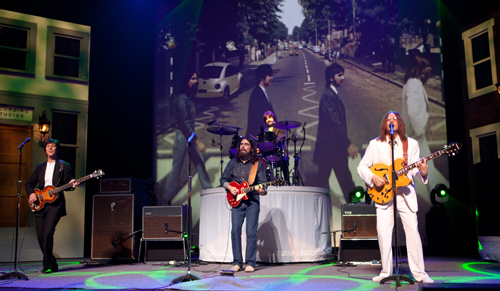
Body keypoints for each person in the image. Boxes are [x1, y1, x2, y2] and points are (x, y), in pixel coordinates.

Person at [357, 111, 434, 283]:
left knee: (412, 232)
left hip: (405, 192)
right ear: (385, 124)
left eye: (395, 118)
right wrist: (372, 177)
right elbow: (362, 167)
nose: (392, 121)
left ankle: (420, 273)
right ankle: (386, 272)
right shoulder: (375, 144)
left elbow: (413, 169)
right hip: (383, 193)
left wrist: (423, 172)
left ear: (400, 123)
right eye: (388, 119)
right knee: (384, 233)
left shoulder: (411, 144)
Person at [26, 139, 79, 274]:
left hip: (55, 204)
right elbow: (29, 183)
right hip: (40, 203)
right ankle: (52, 261)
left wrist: (72, 185)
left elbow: (67, 185)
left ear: (57, 149)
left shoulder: (64, 166)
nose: (50, 148)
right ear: (45, 150)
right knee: (40, 235)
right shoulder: (39, 167)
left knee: (48, 233)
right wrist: (32, 194)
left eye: (53, 146)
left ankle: (47, 266)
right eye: (48, 146)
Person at [163, 70, 212, 205]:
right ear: (186, 80)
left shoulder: (188, 97)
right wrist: (197, 140)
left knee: (200, 164)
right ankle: (166, 200)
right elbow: (184, 124)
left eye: (196, 79)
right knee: (176, 170)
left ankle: (210, 191)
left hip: (189, 135)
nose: (195, 81)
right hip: (183, 136)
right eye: (192, 79)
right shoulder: (181, 99)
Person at [220, 137, 267, 273]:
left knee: (251, 233)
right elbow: (223, 179)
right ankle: (237, 262)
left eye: (246, 144)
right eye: (241, 144)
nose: (242, 146)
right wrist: (229, 187)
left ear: (251, 148)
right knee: (235, 231)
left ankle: (250, 262)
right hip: (236, 203)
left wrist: (262, 190)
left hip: (252, 202)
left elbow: (264, 188)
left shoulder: (258, 164)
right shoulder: (232, 163)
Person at [313, 63, 358, 203]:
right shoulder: (328, 96)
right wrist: (348, 143)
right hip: (332, 148)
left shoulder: (332, 94)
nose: (343, 78)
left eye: (342, 74)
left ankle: (313, 208)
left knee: (329, 182)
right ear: (331, 78)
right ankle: (355, 212)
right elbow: (334, 123)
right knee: (344, 181)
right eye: (339, 75)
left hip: (332, 148)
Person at [401, 54, 437, 193]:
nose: (430, 68)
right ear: (419, 68)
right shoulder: (414, 83)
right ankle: (438, 201)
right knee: (427, 168)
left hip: (413, 135)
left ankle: (436, 199)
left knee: (411, 170)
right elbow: (412, 111)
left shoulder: (413, 83)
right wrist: (419, 131)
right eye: (426, 66)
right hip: (415, 135)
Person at [246, 64, 274, 139]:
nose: (272, 78)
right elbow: (259, 119)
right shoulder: (257, 94)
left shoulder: (261, 91)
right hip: (258, 138)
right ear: (262, 78)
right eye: (269, 75)